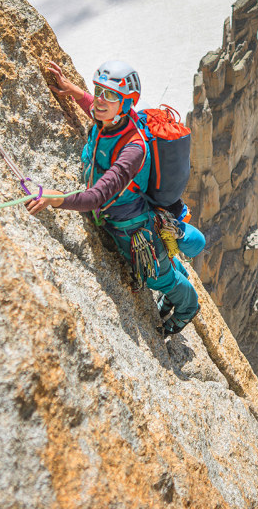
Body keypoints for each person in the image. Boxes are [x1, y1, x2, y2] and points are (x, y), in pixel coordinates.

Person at [29, 59, 202, 336]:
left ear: (126, 103)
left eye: (110, 95)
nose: (99, 100)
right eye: (98, 91)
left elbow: (97, 197)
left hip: (131, 227)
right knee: (162, 267)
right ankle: (174, 282)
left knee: (156, 277)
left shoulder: (133, 149)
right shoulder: (113, 121)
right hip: (121, 220)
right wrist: (76, 92)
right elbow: (98, 113)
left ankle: (188, 305)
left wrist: (56, 199)